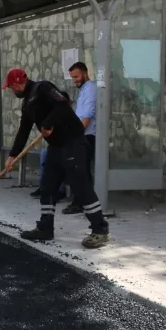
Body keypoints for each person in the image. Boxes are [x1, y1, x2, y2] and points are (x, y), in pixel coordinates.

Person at [2, 68, 110, 249]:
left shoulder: (42, 88)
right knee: (47, 187)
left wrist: (47, 122)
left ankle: (100, 229)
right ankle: (45, 227)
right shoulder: (27, 103)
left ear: (17, 84)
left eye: (11, 88)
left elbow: (63, 104)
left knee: (80, 186)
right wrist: (13, 156)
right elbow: (23, 130)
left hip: (73, 142)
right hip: (56, 146)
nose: (12, 91)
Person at [63, 61, 97, 215]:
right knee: (78, 169)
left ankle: (81, 203)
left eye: (76, 76)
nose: (75, 80)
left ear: (84, 73)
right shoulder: (84, 90)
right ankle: (81, 201)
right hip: (81, 134)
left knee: (80, 170)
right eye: (72, 77)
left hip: (87, 136)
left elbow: (87, 116)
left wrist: (75, 135)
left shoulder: (90, 90)